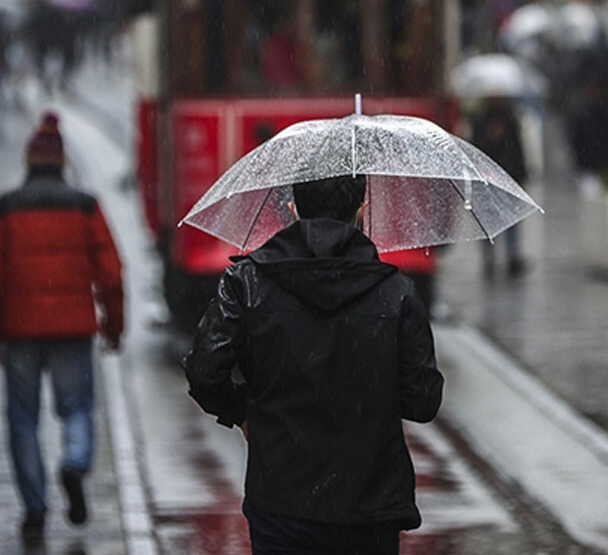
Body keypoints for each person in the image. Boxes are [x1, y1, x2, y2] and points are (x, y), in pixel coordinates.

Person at [184, 174, 445, 555]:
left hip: (280, 502)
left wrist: (243, 412)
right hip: (369, 507)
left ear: (292, 211)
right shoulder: (396, 293)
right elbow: (423, 401)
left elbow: (204, 370)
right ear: (361, 212)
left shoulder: (247, 282)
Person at [0, 112, 124, 539]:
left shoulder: (3, 209)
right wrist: (114, 326)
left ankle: (35, 507)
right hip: (74, 328)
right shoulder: (85, 206)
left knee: (23, 419)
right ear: (61, 163)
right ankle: (74, 462)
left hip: (19, 332)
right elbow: (111, 273)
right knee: (77, 408)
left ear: (27, 161)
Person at [471, 98, 529, 275]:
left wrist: (521, 173)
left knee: (511, 220)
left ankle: (512, 257)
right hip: (487, 179)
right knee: (488, 220)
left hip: (507, 176)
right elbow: (476, 150)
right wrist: (491, 138)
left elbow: (517, 149)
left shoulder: (510, 119)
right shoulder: (480, 121)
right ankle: (489, 258)